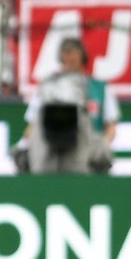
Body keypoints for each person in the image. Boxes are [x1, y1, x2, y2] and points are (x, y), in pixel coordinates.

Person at [13, 37, 119, 174]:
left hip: (85, 156)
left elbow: (111, 127)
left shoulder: (99, 88)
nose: (70, 63)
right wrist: (28, 144)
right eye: (66, 59)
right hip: (48, 156)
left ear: (82, 59)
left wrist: (101, 146)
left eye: (74, 59)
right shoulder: (48, 86)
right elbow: (32, 126)